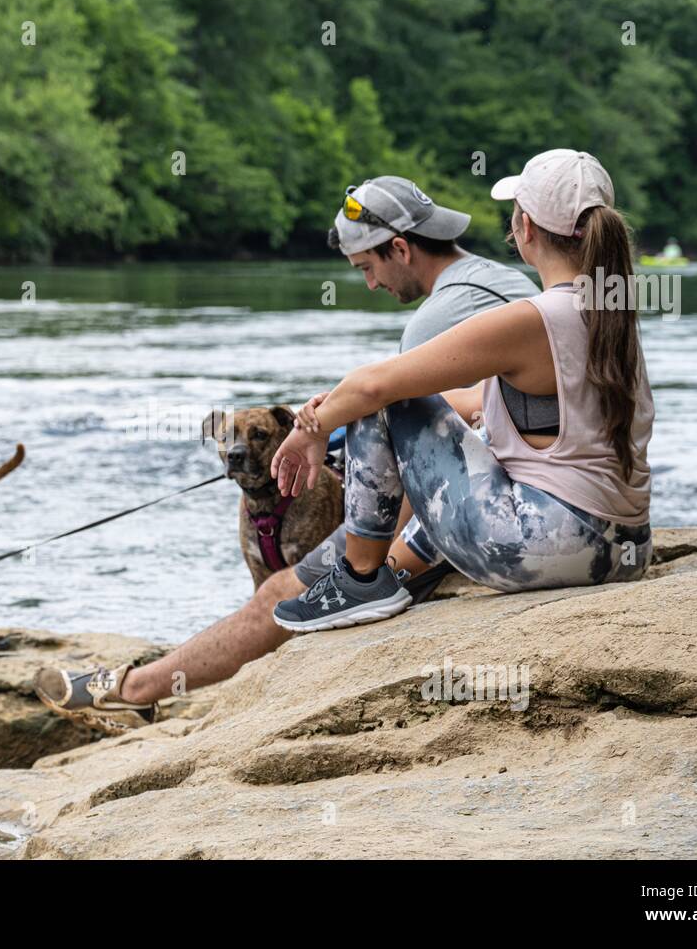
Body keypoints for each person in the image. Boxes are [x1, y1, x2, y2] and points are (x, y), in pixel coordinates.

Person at [34, 177, 537, 732]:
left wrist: (386, 542)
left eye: (367, 268)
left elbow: (408, 410)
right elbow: (482, 409)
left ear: (399, 248)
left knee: (278, 591)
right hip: (517, 488)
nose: (370, 285)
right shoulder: (499, 280)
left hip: (482, 511)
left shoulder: (436, 319)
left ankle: (132, 688)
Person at [271, 149, 654, 633]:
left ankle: (361, 579)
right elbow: (473, 405)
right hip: (627, 547)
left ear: (525, 229)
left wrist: (313, 427)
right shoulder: (610, 313)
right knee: (380, 396)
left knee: (382, 394)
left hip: (553, 546)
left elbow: (377, 386)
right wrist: (333, 413)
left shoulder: (532, 319)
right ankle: (372, 573)